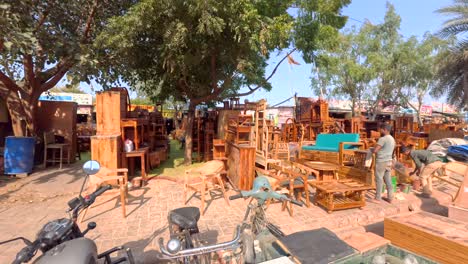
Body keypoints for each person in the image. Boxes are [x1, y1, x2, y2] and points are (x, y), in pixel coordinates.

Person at [372, 123, 396, 203]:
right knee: (388, 180)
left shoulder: (383, 139)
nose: (380, 131)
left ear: (385, 130)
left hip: (382, 161)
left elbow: (375, 150)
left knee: (379, 179)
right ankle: (390, 197)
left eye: (381, 129)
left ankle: (377, 198)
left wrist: (372, 148)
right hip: (389, 161)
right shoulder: (392, 139)